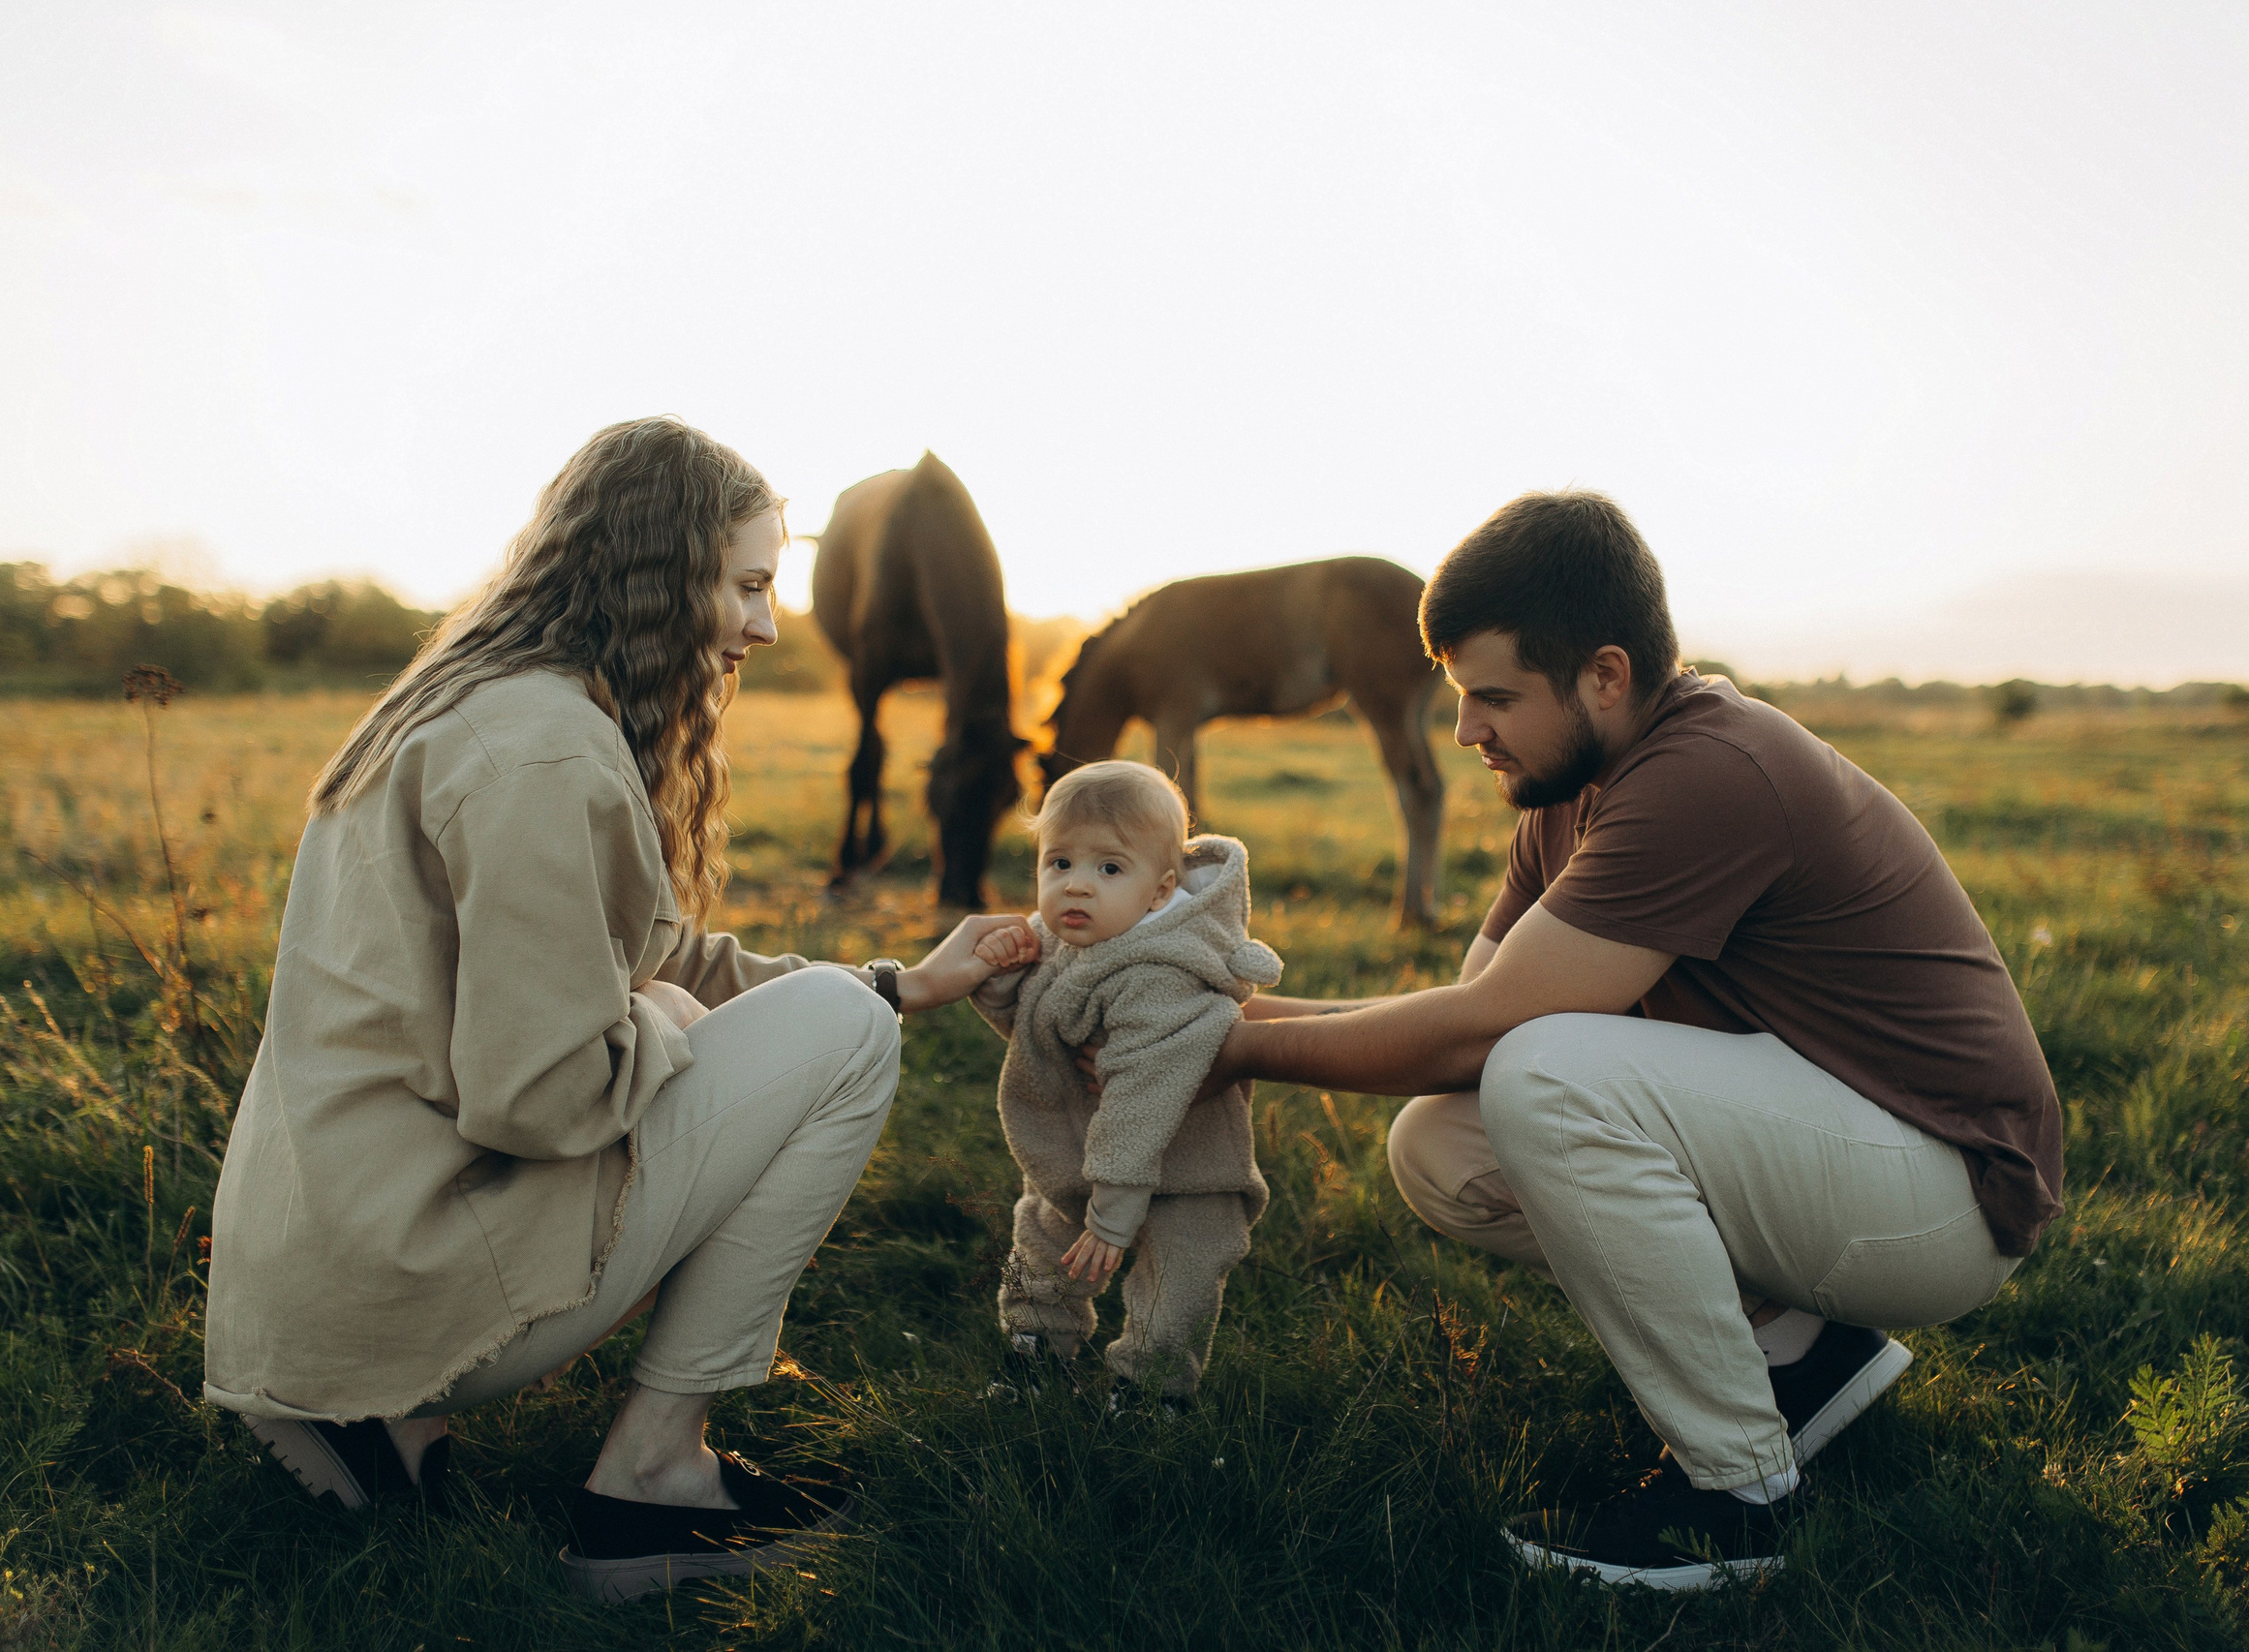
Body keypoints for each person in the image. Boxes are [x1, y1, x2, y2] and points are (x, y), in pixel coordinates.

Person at [200, 416, 1030, 1605]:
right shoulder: (549, 754)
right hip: (410, 1255)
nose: (768, 623)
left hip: (328, 1265)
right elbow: (542, 1096)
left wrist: (904, 980)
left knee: (850, 1009)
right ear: (654, 568)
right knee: (846, 1043)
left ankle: (377, 1420)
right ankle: (650, 1480)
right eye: (745, 583)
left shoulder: (481, 703)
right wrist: (669, 1022)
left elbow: (650, 950)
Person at [1211, 491, 2062, 1590]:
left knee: (1543, 1072)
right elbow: (1461, 1023)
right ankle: (1799, 1351)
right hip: (1843, 1152)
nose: (1467, 731)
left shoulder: (1708, 769)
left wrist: (1224, 1052)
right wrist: (1213, 1015)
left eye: (1494, 697)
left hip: (1947, 1192)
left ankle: (1738, 1497)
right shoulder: (1566, 793)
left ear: (1604, 675)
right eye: (1462, 697)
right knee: (1443, 1141)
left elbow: (1491, 1029)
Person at [965, 761, 1281, 1405]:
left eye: (1108, 868)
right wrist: (1002, 983)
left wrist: (1113, 1217)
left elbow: (1143, 1096)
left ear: (1161, 892)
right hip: (1084, 1160)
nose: (1077, 887)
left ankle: (1151, 1391)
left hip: (1188, 1169)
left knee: (1180, 1283)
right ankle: (1034, 1351)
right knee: (1043, 1246)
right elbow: (1038, 1035)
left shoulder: (1161, 974)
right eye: (1060, 864)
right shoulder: (1069, 942)